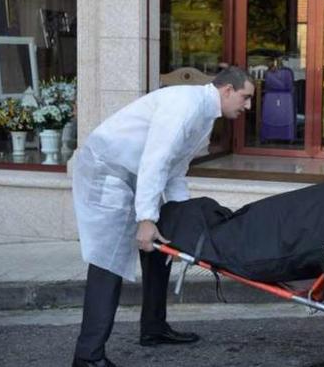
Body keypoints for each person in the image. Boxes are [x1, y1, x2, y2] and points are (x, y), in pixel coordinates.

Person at [71, 66, 255, 367]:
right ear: (227, 90)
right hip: (107, 173)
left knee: (163, 245)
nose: (247, 106)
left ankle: (153, 328)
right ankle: (87, 356)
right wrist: (146, 218)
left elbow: (174, 171)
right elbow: (154, 161)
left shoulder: (205, 117)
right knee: (108, 264)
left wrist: (183, 223)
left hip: (135, 176)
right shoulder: (184, 106)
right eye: (245, 98)